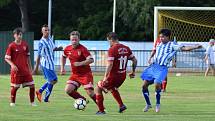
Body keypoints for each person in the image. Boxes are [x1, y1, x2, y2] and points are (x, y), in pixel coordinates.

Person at [141, 28, 202, 113]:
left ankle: (158, 104)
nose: (161, 38)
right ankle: (148, 104)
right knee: (144, 86)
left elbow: (184, 48)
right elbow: (155, 51)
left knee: (157, 84)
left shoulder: (172, 45)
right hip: (153, 66)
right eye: (160, 37)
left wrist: (195, 47)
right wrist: (150, 58)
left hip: (162, 68)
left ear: (167, 37)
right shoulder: (159, 44)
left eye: (162, 37)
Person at [95, 32, 137, 115]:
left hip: (113, 76)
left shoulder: (112, 49)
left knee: (98, 87)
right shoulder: (126, 48)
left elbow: (110, 64)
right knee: (112, 88)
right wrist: (133, 71)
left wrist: (105, 77)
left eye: (108, 41)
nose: (108, 43)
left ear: (110, 39)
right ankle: (121, 105)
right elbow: (135, 60)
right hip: (122, 76)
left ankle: (101, 110)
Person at [60, 31, 97, 104]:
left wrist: (80, 63)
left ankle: (102, 108)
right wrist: (62, 68)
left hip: (85, 74)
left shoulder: (83, 49)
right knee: (68, 90)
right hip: (75, 75)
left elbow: (91, 60)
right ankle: (84, 100)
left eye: (75, 40)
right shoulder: (67, 48)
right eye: (72, 40)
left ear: (79, 40)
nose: (74, 41)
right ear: (70, 40)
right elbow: (63, 56)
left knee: (90, 92)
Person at [5, 28, 36, 106]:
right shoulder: (11, 46)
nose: (19, 36)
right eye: (18, 34)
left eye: (21, 34)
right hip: (16, 71)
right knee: (15, 87)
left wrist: (30, 68)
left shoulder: (25, 45)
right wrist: (12, 65)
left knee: (32, 85)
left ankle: (32, 102)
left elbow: (28, 57)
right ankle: (12, 102)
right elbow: (6, 58)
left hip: (25, 71)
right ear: (14, 35)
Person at [33, 24, 63, 102]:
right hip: (46, 64)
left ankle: (40, 92)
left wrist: (58, 48)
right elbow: (39, 55)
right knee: (53, 80)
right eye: (45, 30)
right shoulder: (41, 42)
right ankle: (45, 98)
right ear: (42, 31)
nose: (47, 31)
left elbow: (53, 48)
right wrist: (36, 68)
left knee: (53, 80)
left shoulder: (49, 39)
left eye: (48, 30)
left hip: (51, 63)